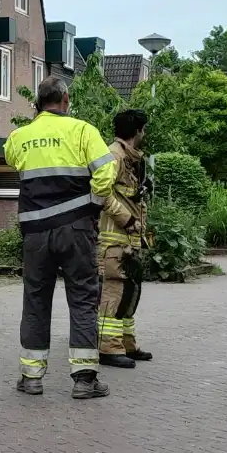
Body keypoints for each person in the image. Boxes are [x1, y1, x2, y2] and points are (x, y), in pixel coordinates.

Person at [4, 76, 117, 399]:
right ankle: (84, 379)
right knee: (82, 298)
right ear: (66, 100)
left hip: (35, 233)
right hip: (76, 229)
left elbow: (12, 159)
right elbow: (107, 172)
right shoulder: (83, 131)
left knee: (36, 300)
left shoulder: (19, 137)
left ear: (37, 103)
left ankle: (32, 377)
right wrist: (94, 203)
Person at [97, 108, 153, 368]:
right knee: (114, 293)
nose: (145, 134)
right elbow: (101, 193)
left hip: (129, 240)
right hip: (114, 240)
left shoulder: (131, 158)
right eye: (144, 129)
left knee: (130, 292)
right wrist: (126, 219)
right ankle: (108, 348)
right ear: (138, 130)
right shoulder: (113, 155)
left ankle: (127, 344)